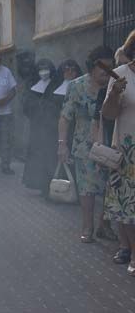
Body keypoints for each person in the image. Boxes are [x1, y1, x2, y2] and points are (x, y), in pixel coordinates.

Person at [58, 47, 114, 243]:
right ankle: (87, 226)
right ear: (92, 67)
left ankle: (104, 225)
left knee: (111, 187)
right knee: (87, 189)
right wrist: (62, 144)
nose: (107, 71)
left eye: (110, 66)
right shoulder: (76, 86)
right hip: (85, 145)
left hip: (112, 142)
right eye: (103, 67)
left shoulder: (115, 86)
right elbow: (65, 117)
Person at [102, 29, 135, 275]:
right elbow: (109, 115)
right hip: (126, 147)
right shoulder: (120, 75)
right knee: (126, 203)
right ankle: (127, 247)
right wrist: (114, 94)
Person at [22, 58, 63, 196]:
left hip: (52, 128)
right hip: (37, 127)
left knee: (50, 157)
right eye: (41, 68)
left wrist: (47, 108)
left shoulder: (57, 84)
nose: (44, 72)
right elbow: (25, 105)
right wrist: (37, 108)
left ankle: (51, 186)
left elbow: (59, 104)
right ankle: (38, 183)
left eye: (46, 68)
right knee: (37, 157)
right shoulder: (32, 84)